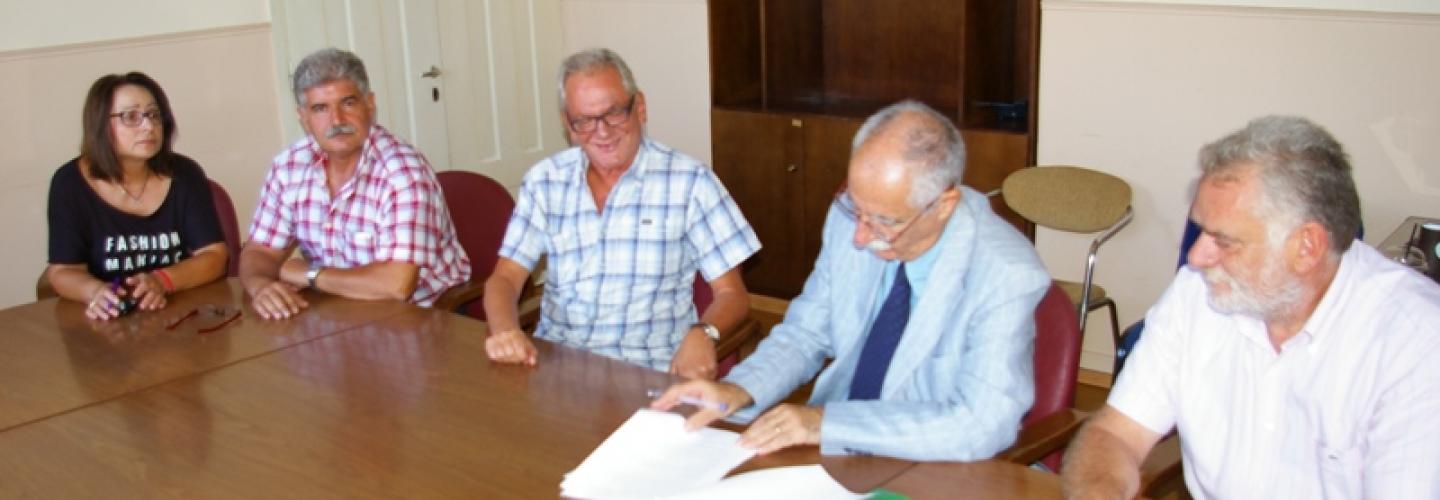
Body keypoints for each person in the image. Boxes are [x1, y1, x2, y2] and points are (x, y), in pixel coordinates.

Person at [1061, 116, 1440, 499]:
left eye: (1223, 240)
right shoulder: (1196, 292)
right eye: (1200, 230)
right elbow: (1115, 435)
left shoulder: (1417, 343)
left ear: (1306, 247)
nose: (1195, 257)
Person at [650, 100, 1050, 461]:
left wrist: (824, 424)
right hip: (835, 454)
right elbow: (805, 334)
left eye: (884, 220)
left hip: (932, 464)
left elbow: (981, 425)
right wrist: (738, 390)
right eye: (856, 209)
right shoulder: (849, 220)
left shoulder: (1005, 274)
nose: (860, 236)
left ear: (944, 205)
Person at [482, 48, 760, 380]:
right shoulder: (545, 181)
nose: (602, 132)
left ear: (639, 107)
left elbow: (732, 294)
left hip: (649, 371)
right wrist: (505, 330)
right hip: (557, 368)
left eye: (614, 113)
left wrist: (704, 333)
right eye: (584, 120)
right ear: (568, 124)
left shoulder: (690, 182)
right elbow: (505, 278)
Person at [240, 48, 470, 319]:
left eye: (348, 103)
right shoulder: (289, 166)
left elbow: (396, 284)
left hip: (420, 318)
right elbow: (259, 251)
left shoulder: (403, 172)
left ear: (369, 104)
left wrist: (309, 274)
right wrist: (262, 287)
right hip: (337, 311)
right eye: (320, 109)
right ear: (303, 117)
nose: (337, 120)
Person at [47, 72, 228, 321]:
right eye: (131, 117)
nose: (148, 126)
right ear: (100, 124)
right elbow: (63, 271)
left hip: (179, 312)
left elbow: (215, 256)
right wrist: (95, 292)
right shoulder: (69, 183)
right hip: (109, 320)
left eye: (154, 115)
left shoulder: (184, 174)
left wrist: (162, 281)